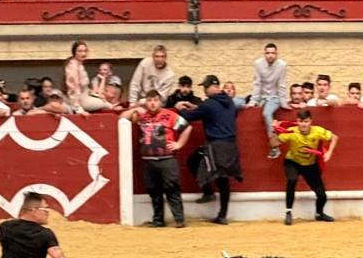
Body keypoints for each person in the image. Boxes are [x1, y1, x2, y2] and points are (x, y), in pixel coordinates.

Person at [120, 90, 193, 227]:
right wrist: (135, 109)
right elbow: (122, 118)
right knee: (153, 190)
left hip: (167, 158)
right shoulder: (142, 115)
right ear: (146, 102)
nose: (152, 103)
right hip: (148, 160)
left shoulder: (169, 115)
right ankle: (158, 220)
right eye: (149, 100)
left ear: (160, 102)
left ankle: (179, 220)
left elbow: (187, 128)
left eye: (155, 100)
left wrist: (179, 144)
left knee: (172, 188)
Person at [176, 75, 242, 225]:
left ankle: (208, 192)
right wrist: (197, 107)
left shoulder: (209, 104)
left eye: (206, 87)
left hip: (216, 145)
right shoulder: (229, 101)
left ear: (214, 87)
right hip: (230, 145)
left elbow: (189, 116)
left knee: (193, 161)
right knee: (223, 179)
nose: (205, 90)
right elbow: (211, 111)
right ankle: (222, 214)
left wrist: (180, 109)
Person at [273, 109, 337, 225]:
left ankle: (319, 214)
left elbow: (335, 137)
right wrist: (274, 130)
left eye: (306, 121)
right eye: (301, 121)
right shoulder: (291, 132)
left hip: (310, 165)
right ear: (297, 121)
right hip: (293, 162)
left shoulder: (317, 131)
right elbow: (274, 143)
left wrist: (329, 152)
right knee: (292, 179)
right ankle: (288, 212)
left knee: (322, 195)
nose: (303, 124)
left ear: (310, 121)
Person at [250, 43, 289, 159]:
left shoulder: (282, 65)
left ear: (277, 54)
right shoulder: (258, 64)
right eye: (268, 53)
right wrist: (253, 101)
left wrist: (283, 102)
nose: (270, 55)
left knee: (267, 113)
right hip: (262, 97)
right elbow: (257, 83)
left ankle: (274, 146)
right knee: (241, 104)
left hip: (275, 97)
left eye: (273, 53)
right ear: (264, 54)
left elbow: (282, 84)